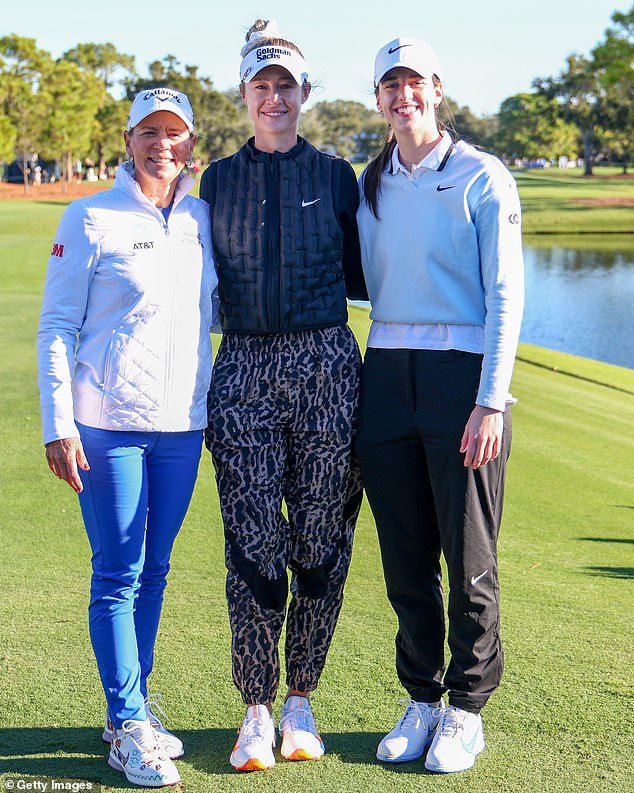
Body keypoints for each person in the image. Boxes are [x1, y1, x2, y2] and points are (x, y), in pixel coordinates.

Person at [199, 18, 367, 773]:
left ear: (305, 94)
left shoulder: (335, 176)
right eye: (261, 85)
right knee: (253, 546)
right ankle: (257, 706)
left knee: (322, 544)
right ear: (245, 94)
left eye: (286, 85)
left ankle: (302, 696)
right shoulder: (217, 180)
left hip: (327, 363)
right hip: (243, 373)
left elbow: (368, 274)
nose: (274, 97)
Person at [37, 87, 217, 788]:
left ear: (191, 145)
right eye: (150, 131)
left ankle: (128, 712)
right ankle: (129, 723)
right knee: (118, 571)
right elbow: (57, 327)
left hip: (183, 427)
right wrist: (58, 423)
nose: (162, 144)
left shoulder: (201, 218)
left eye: (175, 133)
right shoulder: (91, 218)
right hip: (108, 427)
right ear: (129, 138)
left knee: (157, 568)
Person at [355, 38, 524, 774]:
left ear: (437, 89)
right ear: (380, 98)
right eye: (390, 85)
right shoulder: (371, 182)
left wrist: (491, 400)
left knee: (470, 558)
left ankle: (466, 707)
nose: (403, 96)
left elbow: (506, 294)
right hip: (386, 376)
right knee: (404, 557)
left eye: (414, 82)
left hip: (464, 381)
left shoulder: (482, 175)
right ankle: (422, 696)